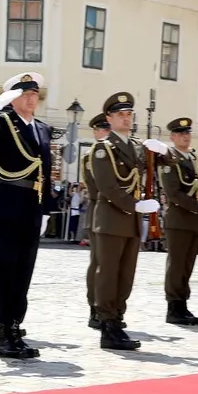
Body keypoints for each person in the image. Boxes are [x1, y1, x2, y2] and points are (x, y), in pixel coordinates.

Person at [0, 71, 52, 359]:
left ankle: (16, 326)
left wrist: (47, 209)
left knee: (24, 270)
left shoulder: (41, 128)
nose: (31, 99)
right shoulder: (3, 123)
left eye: (34, 94)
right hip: (9, 199)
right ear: (14, 97)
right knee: (6, 269)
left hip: (33, 201)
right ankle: (2, 333)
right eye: (25, 94)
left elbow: (45, 169)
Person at [92, 92, 158, 350]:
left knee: (125, 275)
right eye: (120, 114)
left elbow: (159, 165)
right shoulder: (103, 148)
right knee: (108, 274)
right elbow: (107, 186)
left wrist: (165, 153)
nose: (126, 118)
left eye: (129, 114)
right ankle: (108, 327)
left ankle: (118, 319)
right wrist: (135, 205)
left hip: (130, 221)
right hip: (110, 219)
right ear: (109, 118)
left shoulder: (136, 147)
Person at [157, 117, 198, 326]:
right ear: (173, 137)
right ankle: (173, 307)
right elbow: (173, 192)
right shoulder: (169, 158)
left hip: (194, 221)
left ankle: (183, 304)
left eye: (187, 133)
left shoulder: (194, 158)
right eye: (180, 134)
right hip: (178, 219)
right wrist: (197, 206)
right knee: (176, 265)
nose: (185, 137)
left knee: (188, 265)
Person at [82, 113, 111, 329]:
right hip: (99, 212)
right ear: (95, 132)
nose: (107, 132)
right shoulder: (92, 156)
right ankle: (94, 306)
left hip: (116, 214)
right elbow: (96, 189)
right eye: (103, 129)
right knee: (99, 262)